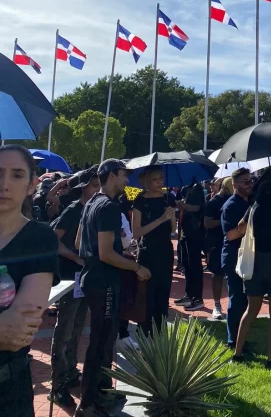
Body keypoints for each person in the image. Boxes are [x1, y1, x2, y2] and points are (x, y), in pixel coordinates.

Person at [76, 159, 151, 417]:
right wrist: (135, 267)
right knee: (100, 344)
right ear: (111, 176)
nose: (127, 180)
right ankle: (87, 405)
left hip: (94, 279)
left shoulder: (91, 203)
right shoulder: (107, 206)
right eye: (123, 175)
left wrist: (119, 249)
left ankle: (100, 394)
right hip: (104, 281)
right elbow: (106, 254)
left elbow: (80, 242)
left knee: (104, 342)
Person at [0, 145, 59, 417]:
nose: (4, 183)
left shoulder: (39, 239)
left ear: (31, 185)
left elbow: (17, 332)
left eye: (16, 174)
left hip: (8, 388)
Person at [49, 166, 100, 409]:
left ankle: (70, 371)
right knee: (65, 328)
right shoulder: (72, 211)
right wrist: (76, 258)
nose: (98, 190)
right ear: (82, 188)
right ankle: (57, 385)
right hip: (69, 278)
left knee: (78, 326)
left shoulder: (95, 211)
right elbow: (52, 241)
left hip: (85, 279)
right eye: (93, 186)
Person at [233, 181, 271, 369]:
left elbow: (240, 227)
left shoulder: (253, 208)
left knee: (251, 310)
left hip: (255, 262)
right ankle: (270, 359)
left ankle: (238, 353)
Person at [131, 168, 176, 335]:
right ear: (147, 182)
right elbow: (136, 232)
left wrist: (171, 217)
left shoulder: (168, 198)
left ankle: (161, 331)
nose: (160, 182)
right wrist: (161, 219)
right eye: (155, 179)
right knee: (147, 294)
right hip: (148, 251)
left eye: (161, 178)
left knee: (163, 293)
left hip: (165, 251)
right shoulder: (140, 200)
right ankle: (144, 331)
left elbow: (173, 228)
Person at [221, 169, 252, 348]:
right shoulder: (231, 205)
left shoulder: (250, 201)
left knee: (246, 299)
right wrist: (247, 220)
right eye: (245, 182)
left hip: (247, 256)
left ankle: (242, 337)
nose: (249, 185)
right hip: (233, 257)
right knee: (237, 299)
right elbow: (231, 235)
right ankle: (233, 340)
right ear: (235, 185)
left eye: (251, 181)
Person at [203, 177, 232, 320]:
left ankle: (235, 305)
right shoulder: (213, 202)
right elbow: (207, 223)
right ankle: (217, 305)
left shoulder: (235, 200)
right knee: (217, 274)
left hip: (232, 241)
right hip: (216, 242)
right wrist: (224, 221)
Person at [175, 180, 205, 311]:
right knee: (186, 265)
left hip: (194, 233)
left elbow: (197, 207)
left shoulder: (197, 188)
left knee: (194, 265)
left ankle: (197, 298)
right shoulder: (186, 188)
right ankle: (189, 294)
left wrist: (183, 205)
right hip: (185, 232)